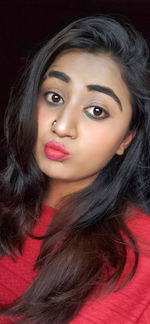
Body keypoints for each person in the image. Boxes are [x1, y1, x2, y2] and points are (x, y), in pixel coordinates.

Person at [0, 15, 150, 324]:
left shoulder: (140, 256)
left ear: (126, 138)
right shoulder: (8, 208)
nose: (63, 126)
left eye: (96, 110)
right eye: (54, 97)